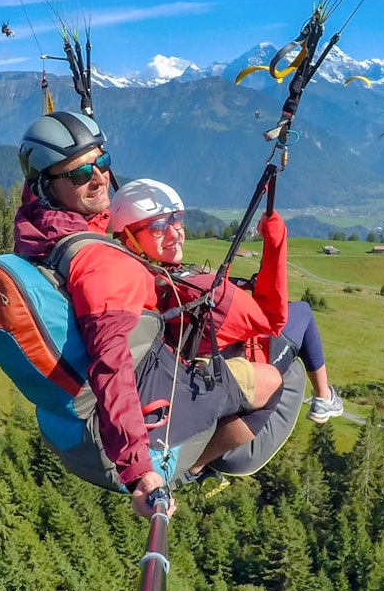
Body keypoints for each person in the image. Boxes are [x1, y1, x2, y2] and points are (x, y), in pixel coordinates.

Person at [13, 111, 285, 516]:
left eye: (102, 163)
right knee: (270, 381)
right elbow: (112, 365)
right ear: (45, 186)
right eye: (80, 173)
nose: (100, 178)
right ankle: (194, 466)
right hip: (135, 401)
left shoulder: (37, 232)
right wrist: (140, 471)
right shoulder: (101, 263)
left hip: (62, 425)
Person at [107, 178, 344, 424]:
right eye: (157, 226)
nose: (174, 232)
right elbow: (271, 319)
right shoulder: (196, 288)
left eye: (177, 219)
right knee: (303, 313)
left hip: (183, 367)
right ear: (128, 237)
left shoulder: (135, 274)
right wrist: (276, 240)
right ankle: (324, 398)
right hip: (217, 370)